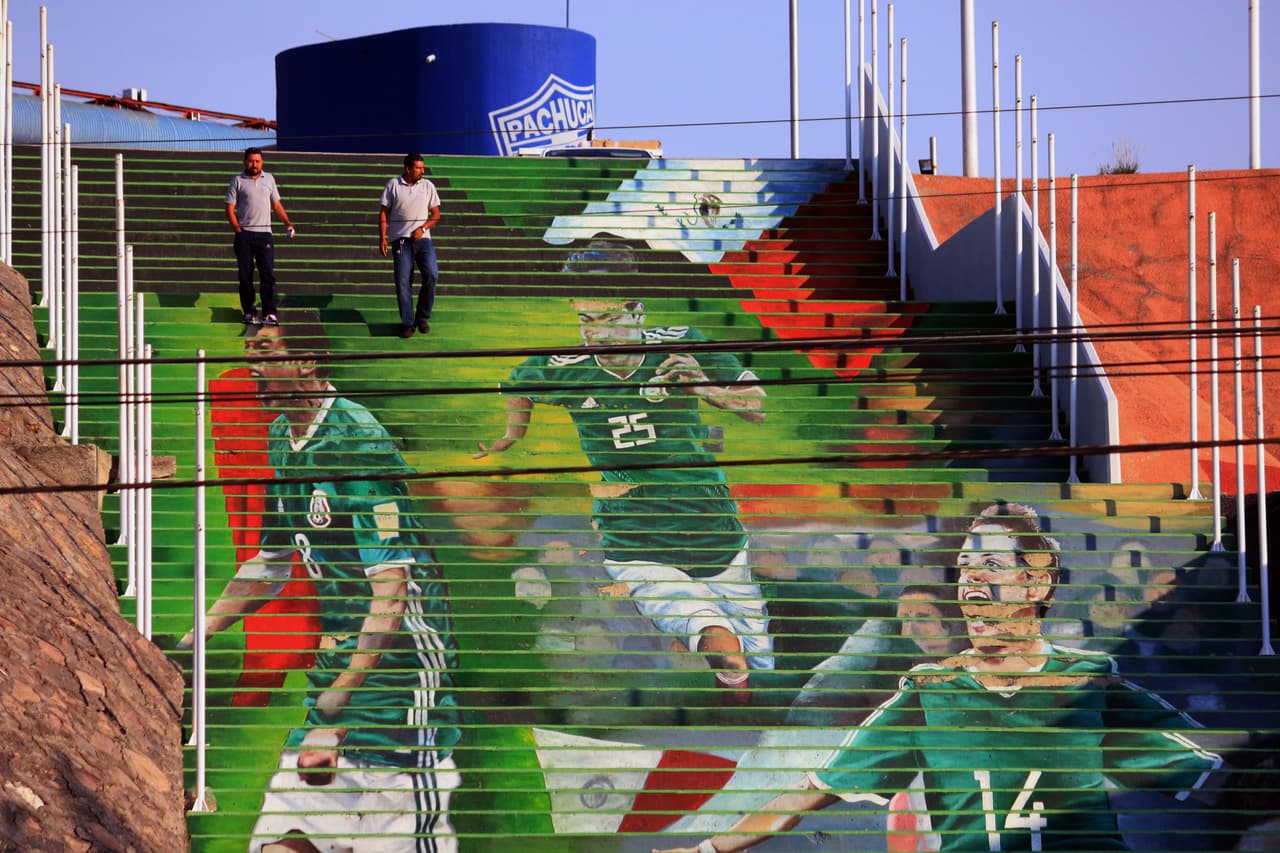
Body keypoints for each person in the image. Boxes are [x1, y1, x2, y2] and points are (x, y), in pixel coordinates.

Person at [655, 502, 1223, 853]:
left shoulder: (1088, 680)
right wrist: (705, 850)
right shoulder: (929, 690)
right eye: (965, 568)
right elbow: (814, 790)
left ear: (1037, 584)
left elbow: (1207, 775)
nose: (971, 580)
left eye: (991, 566)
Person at [181, 323, 461, 853]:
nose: (254, 367)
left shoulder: (357, 440)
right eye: (249, 353)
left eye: (266, 352)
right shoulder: (282, 437)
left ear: (307, 360)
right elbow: (271, 563)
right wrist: (193, 639)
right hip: (336, 669)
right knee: (279, 843)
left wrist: (346, 687)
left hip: (398, 678)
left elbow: (392, 588)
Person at [475, 298, 770, 701]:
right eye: (586, 321)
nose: (597, 332)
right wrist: (511, 436)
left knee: (750, 641)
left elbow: (757, 407)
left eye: (609, 319)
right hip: (634, 533)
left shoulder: (681, 344)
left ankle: (746, 690)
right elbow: (518, 386)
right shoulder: (563, 366)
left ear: (637, 313)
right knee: (714, 631)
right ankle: (736, 690)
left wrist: (705, 388)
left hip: (705, 522)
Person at [225, 146, 294, 326]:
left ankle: (269, 312)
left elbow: (277, 205)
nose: (254, 164)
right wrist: (238, 229)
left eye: (257, 161)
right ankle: (249, 311)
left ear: (262, 162)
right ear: (245, 162)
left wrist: (288, 223)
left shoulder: (269, 179)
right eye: (250, 161)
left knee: (267, 274)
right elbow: (229, 208)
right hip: (245, 235)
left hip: (265, 235)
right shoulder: (237, 180)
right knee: (245, 276)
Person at [379, 153, 441, 338]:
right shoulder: (393, 185)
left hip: (423, 240)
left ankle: (422, 318)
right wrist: (382, 238)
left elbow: (436, 214)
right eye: (418, 168)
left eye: (423, 167)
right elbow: (383, 213)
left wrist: (423, 228)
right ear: (407, 169)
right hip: (400, 240)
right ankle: (407, 322)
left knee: (431, 274)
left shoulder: (428, 186)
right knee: (403, 281)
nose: (422, 171)